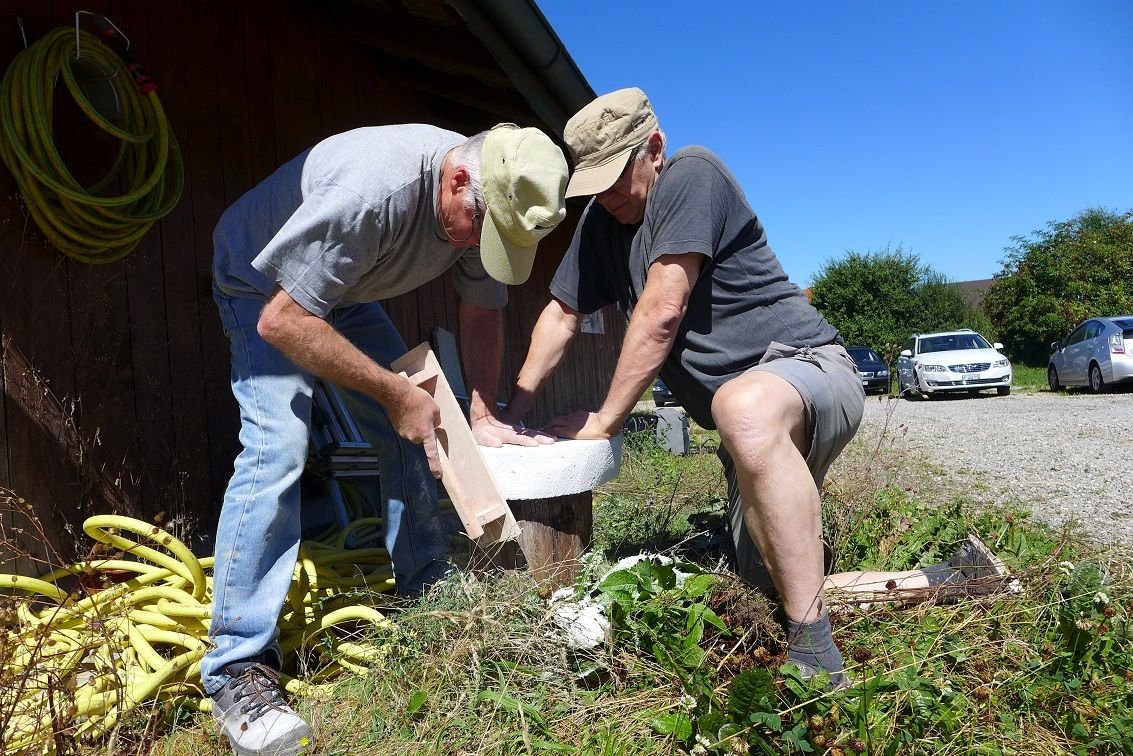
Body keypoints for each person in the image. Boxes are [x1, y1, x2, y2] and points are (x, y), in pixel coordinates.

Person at [203, 122, 567, 754]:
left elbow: (482, 309)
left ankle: (427, 589)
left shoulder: (491, 195)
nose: (484, 249)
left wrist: (481, 412)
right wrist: (396, 393)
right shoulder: (376, 191)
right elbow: (282, 321)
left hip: (340, 290)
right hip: (262, 283)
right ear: (457, 181)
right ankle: (237, 666)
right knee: (279, 444)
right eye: (481, 233)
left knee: (418, 419)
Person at [500, 88, 866, 688]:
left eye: (618, 177)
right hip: (747, 418)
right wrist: (513, 415)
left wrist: (604, 421)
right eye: (594, 185)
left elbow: (662, 310)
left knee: (740, 406)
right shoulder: (604, 219)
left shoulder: (692, 175)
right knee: (768, 577)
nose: (609, 196)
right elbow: (561, 314)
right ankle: (907, 584)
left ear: (655, 147)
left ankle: (817, 658)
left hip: (809, 370)